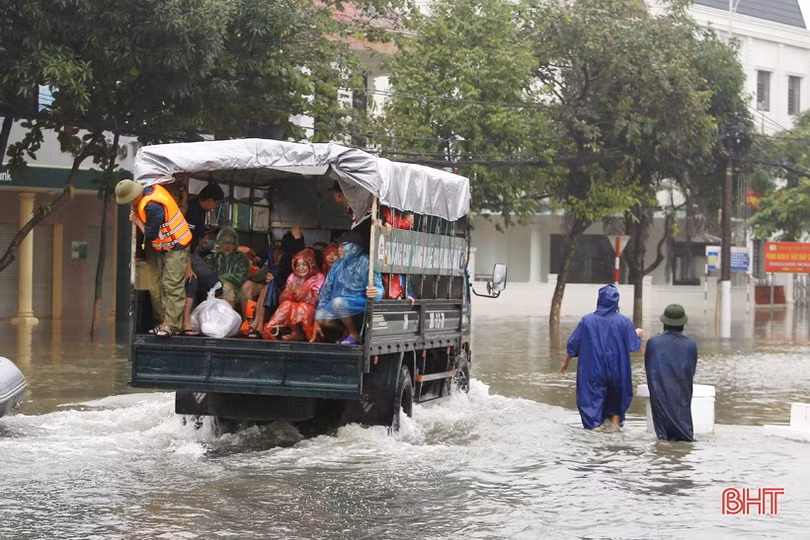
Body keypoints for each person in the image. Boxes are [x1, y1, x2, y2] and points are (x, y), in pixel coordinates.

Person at [560, 284, 645, 432]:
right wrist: (636, 333)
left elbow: (574, 344)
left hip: (593, 372)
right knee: (616, 405)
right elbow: (633, 345)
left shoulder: (587, 320)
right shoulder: (624, 322)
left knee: (592, 407)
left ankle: (595, 430)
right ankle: (615, 427)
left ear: (599, 300)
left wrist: (565, 362)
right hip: (617, 371)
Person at [116, 179, 191, 337]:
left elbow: (151, 235)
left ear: (133, 198)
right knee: (165, 285)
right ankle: (166, 323)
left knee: (173, 286)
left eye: (128, 202)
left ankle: (172, 326)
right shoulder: (151, 192)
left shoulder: (152, 206)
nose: (129, 205)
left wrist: (136, 221)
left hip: (177, 246)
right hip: (168, 246)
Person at [312, 234, 383, 345]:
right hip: (340, 306)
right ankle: (344, 333)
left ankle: (354, 334)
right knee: (321, 315)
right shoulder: (337, 264)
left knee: (338, 303)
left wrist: (375, 292)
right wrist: (317, 319)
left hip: (360, 304)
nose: (338, 249)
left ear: (354, 247)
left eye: (342, 246)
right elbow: (326, 291)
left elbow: (378, 287)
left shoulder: (366, 262)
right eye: (338, 246)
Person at [644, 304, 698, 442]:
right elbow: (691, 370)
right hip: (682, 394)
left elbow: (649, 368)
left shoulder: (654, 342)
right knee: (684, 434)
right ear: (682, 323)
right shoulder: (691, 344)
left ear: (664, 322)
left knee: (663, 439)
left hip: (659, 394)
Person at [263, 248, 325, 341]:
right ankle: (295, 332)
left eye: (304, 264)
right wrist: (289, 292)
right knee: (286, 305)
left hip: (314, 310)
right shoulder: (293, 276)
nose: (300, 268)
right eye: (298, 265)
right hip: (295, 308)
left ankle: (307, 333)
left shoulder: (318, 277)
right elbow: (283, 299)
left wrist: (298, 292)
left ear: (311, 264)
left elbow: (316, 300)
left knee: (302, 308)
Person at [204, 227, 250, 309]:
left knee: (228, 288)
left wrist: (225, 278)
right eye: (224, 243)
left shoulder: (242, 258)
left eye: (230, 243)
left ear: (235, 244)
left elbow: (242, 277)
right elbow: (208, 276)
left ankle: (231, 318)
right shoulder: (211, 258)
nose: (227, 246)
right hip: (215, 289)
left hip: (237, 289)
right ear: (219, 243)